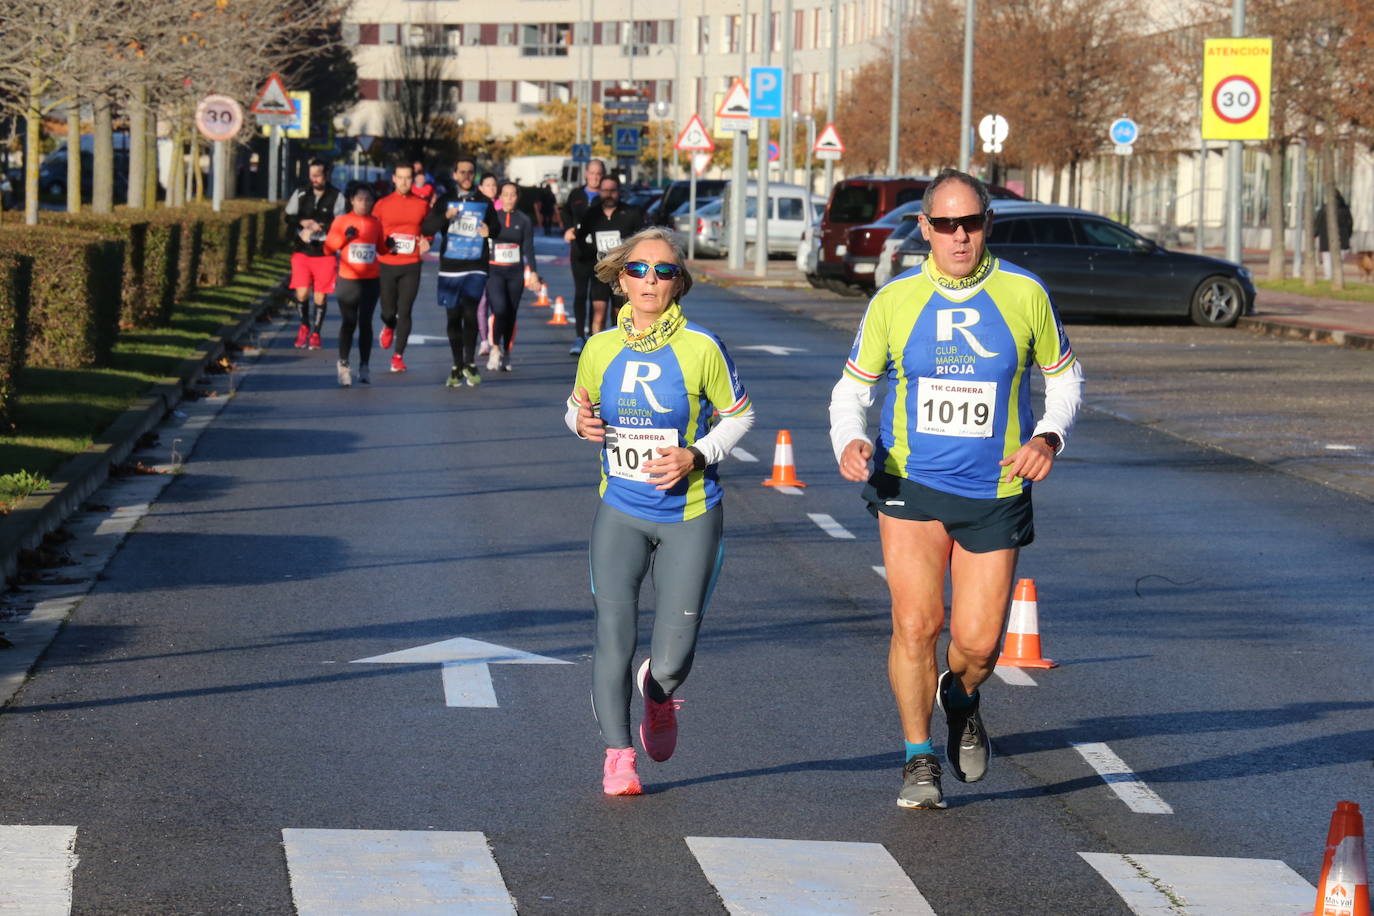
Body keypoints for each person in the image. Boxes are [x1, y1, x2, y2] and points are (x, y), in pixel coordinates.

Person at [828, 168, 1084, 810]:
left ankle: (962, 696)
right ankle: (918, 759)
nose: (959, 236)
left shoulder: (1024, 292)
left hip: (996, 489)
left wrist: (1048, 437)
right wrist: (849, 440)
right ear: (925, 228)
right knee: (917, 623)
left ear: (987, 223)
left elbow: (1064, 378)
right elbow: (852, 388)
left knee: (977, 643)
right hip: (910, 482)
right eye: (945, 224)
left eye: (970, 223)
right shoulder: (894, 300)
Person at [566, 227, 755, 796]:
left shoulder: (702, 347)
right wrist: (580, 423)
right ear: (621, 280)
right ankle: (618, 756)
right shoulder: (599, 348)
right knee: (612, 636)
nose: (650, 279)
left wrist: (697, 454)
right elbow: (576, 408)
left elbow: (739, 417)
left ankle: (658, 692)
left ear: (679, 283)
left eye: (664, 270)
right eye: (639, 269)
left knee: (673, 658)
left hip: (690, 515)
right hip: (619, 511)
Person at [422, 156, 503, 388]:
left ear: (474, 175)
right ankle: (457, 364)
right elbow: (427, 227)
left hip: (476, 266)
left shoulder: (484, 201)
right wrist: (444, 217)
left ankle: (470, 362)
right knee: (453, 317)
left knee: (470, 313)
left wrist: (489, 231)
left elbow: (496, 228)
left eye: (470, 172)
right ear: (455, 175)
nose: (466, 176)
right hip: (450, 267)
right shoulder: (445, 200)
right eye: (462, 172)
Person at [571, 175, 645, 348]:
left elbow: (642, 239)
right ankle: (596, 350)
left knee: (620, 314)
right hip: (601, 272)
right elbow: (580, 239)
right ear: (600, 192)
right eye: (605, 191)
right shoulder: (592, 214)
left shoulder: (631, 213)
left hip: (623, 274)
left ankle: (619, 348)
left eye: (612, 190)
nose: (609, 195)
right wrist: (590, 253)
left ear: (619, 191)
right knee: (599, 314)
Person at [373, 162, 432, 373]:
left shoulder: (422, 205)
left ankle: (398, 356)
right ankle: (389, 325)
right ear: (394, 179)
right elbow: (373, 229)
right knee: (388, 311)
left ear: (413, 180)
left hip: (411, 264)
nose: (404, 182)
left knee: (405, 310)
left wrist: (428, 241)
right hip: (387, 264)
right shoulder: (382, 204)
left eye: (408, 177)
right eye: (400, 177)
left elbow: (429, 229)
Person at [323, 182, 384, 387]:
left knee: (366, 323)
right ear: (351, 201)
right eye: (360, 199)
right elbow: (328, 249)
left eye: (368, 200)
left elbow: (381, 248)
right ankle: (343, 364)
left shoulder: (375, 223)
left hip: (371, 280)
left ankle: (364, 366)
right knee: (349, 322)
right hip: (348, 279)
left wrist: (391, 246)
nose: (364, 203)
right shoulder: (341, 221)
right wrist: (345, 237)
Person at [283, 159, 344, 350]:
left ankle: (316, 333)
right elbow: (288, 216)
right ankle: (304, 326)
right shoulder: (301, 192)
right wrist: (302, 222)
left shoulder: (336, 196)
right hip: (302, 251)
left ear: (327, 175)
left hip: (324, 252)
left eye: (318, 175)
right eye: (311, 175)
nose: (314, 179)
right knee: (301, 292)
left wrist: (323, 226)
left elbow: (341, 221)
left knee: (320, 297)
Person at [485, 180, 539, 372]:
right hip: (494, 271)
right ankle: (495, 349)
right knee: (499, 309)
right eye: (505, 194)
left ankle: (507, 351)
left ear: (517, 197)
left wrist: (533, 273)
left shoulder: (523, 220)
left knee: (511, 313)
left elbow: (529, 248)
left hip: (515, 273)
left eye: (513, 195)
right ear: (500, 196)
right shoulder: (493, 217)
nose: (509, 198)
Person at [560, 159, 606, 355]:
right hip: (579, 253)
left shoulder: (605, 197)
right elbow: (565, 212)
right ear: (586, 173)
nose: (595, 177)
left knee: (597, 297)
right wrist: (567, 228)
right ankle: (579, 336)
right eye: (592, 173)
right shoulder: (577, 194)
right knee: (580, 293)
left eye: (599, 173)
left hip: (601, 254)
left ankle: (594, 337)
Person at [1315, 190, 1354, 281]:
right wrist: (1348, 235)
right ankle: (1337, 276)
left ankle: (1328, 277)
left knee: (1327, 258)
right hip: (1342, 239)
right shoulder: (1345, 209)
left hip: (1326, 239)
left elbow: (1318, 223)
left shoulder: (1324, 209)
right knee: (1339, 258)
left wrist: (1315, 234)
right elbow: (1350, 224)